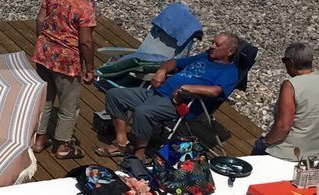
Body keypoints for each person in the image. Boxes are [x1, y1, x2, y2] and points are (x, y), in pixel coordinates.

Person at [96, 33, 241, 158]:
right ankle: (122, 143)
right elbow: (174, 62)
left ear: (230, 51)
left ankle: (138, 155)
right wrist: (162, 71)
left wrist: (188, 88)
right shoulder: (205, 57)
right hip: (156, 92)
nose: (212, 46)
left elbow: (216, 91)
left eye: (217, 44)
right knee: (114, 94)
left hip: (177, 103)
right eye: (212, 42)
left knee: (143, 111)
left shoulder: (230, 72)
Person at [32, 0, 100, 159]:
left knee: (45, 99)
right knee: (69, 105)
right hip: (67, 61)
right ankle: (62, 146)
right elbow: (86, 42)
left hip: (44, 54)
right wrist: (90, 68)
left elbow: (40, 20)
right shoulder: (84, 7)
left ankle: (39, 140)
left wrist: (43, 41)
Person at [254, 41, 319, 161]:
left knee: (257, 149)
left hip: (292, 152)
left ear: (290, 62)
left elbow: (283, 126)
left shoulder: (291, 85)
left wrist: (264, 142)